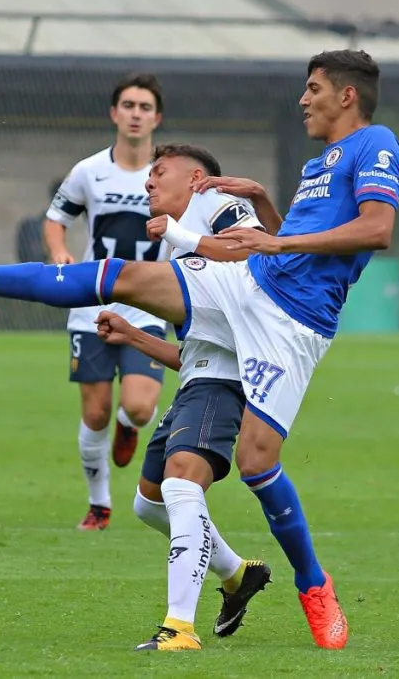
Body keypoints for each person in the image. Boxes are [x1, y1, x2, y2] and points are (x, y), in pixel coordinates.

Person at [0, 49, 399, 650]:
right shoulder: (320, 161)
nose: (302, 98)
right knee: (123, 275)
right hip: (254, 284)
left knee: (258, 461)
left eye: (313, 88)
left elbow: (376, 228)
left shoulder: (377, 143)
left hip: (295, 321)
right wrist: (266, 208)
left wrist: (272, 243)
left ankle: (313, 583)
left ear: (346, 96)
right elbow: (287, 237)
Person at [94, 143, 275, 651]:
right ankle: (238, 575)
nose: (149, 183)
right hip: (198, 382)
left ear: (195, 178)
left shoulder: (215, 207)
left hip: (228, 383)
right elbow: (190, 354)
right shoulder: (176, 246)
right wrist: (133, 335)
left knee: (180, 488)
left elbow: (256, 250)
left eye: (160, 172)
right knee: (149, 505)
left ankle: (179, 628)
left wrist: (180, 232)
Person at [42, 73, 169, 531]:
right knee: (93, 412)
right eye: (128, 105)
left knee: (138, 407)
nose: (136, 114)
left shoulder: (168, 174)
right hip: (93, 306)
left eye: (144, 107)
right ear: (115, 114)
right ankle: (99, 506)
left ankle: (128, 426)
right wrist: (58, 250)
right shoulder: (89, 171)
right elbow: (56, 219)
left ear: (157, 117)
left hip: (149, 305)